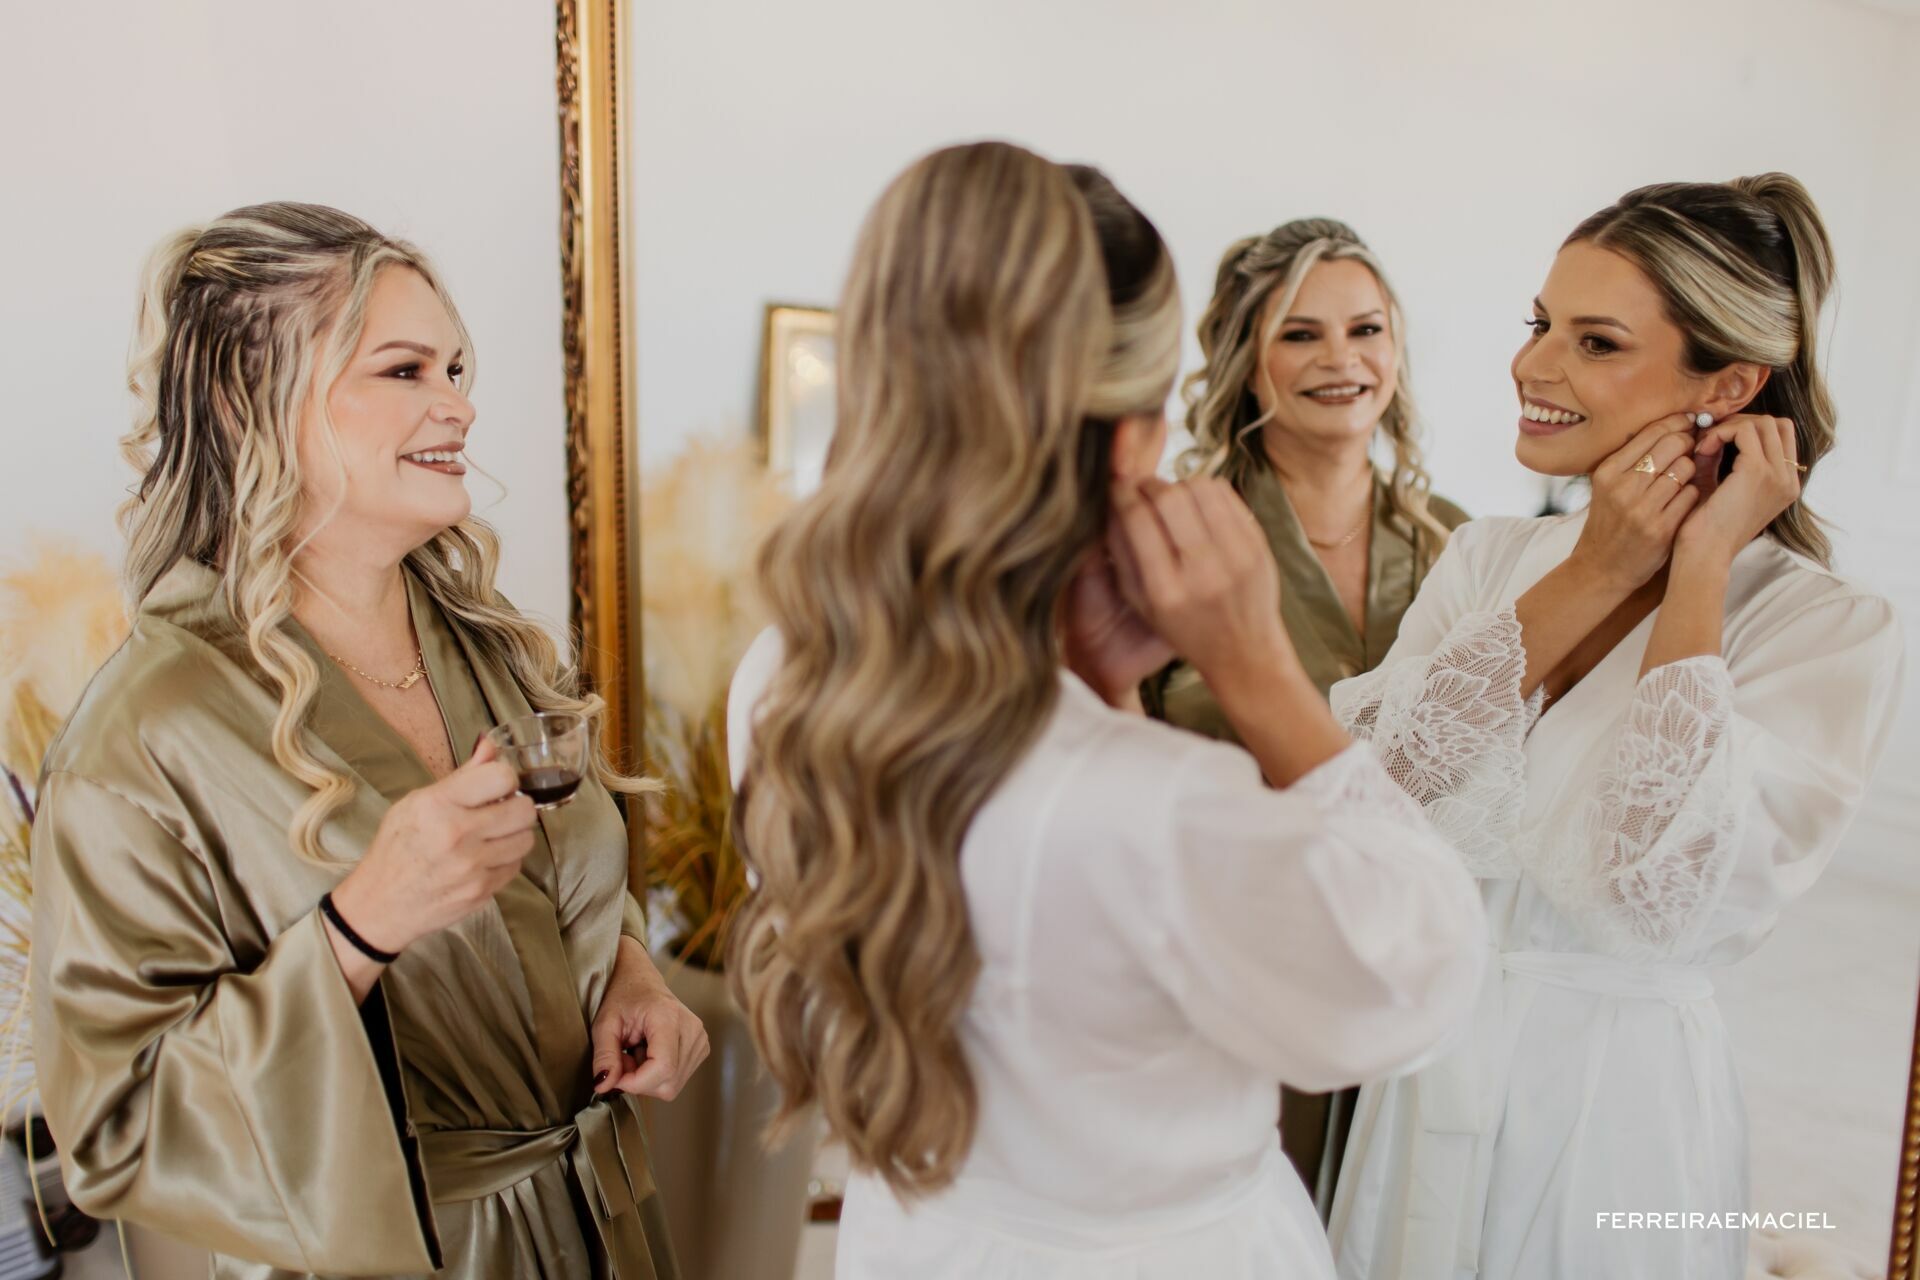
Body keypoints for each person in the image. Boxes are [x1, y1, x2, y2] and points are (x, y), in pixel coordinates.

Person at [724, 142, 1487, 1280]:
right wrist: (1261, 670)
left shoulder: (792, 673)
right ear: (1134, 438)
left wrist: (1107, 689)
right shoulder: (1153, 800)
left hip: (926, 1238)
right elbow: (1407, 978)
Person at [30, 203, 705, 1279]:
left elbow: (555, 889)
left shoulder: (493, 649)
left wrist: (629, 971)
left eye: (455, 366)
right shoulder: (147, 736)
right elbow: (118, 1126)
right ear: (253, 400)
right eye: (406, 370)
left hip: (598, 1230)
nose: (461, 403)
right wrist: (362, 922)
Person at [1325, 174, 1906, 1280]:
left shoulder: (1830, 629)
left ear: (1729, 384)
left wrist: (1694, 574)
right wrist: (1593, 570)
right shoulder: (1486, 560)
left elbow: (1659, 893)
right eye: (1540, 324)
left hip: (1618, 1121)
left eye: (1595, 342)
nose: (1533, 366)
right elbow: (1365, 803)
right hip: (1420, 1087)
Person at [1147, 218, 1471, 1210]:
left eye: (1366, 329)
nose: (1342, 358)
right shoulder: (1176, 533)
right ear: (1247, 362)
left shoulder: (1464, 550)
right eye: (1300, 333)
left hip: (1408, 970)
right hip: (1228, 972)